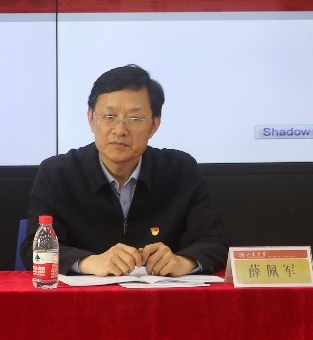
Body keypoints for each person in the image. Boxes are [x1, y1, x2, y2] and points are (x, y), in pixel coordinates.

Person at [21, 64, 229, 277]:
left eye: (134, 119)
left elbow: (214, 241)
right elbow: (33, 249)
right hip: (84, 296)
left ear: (154, 125)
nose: (119, 130)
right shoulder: (58, 174)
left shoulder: (181, 171)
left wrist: (182, 262)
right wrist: (89, 262)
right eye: (109, 117)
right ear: (91, 119)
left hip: (160, 295)